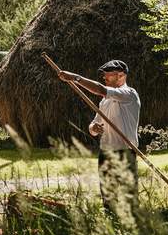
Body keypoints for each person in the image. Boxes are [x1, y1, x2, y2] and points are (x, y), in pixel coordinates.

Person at [57, 60, 140, 213]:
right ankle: (112, 227)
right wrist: (93, 128)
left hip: (125, 152)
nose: (104, 78)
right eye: (104, 76)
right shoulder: (104, 101)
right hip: (106, 152)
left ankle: (134, 229)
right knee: (108, 198)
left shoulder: (129, 94)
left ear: (121, 75)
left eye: (108, 75)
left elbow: (101, 89)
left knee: (129, 198)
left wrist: (76, 78)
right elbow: (93, 126)